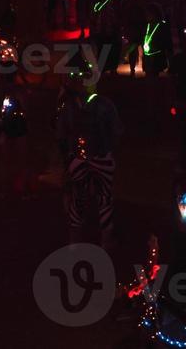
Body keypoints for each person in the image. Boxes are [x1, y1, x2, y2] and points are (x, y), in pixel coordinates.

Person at [56, 72, 122, 247]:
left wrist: (67, 160)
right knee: (105, 198)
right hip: (102, 156)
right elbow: (116, 132)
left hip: (77, 157)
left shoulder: (68, 106)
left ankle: (74, 240)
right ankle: (106, 241)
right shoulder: (106, 105)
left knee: (77, 196)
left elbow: (61, 135)